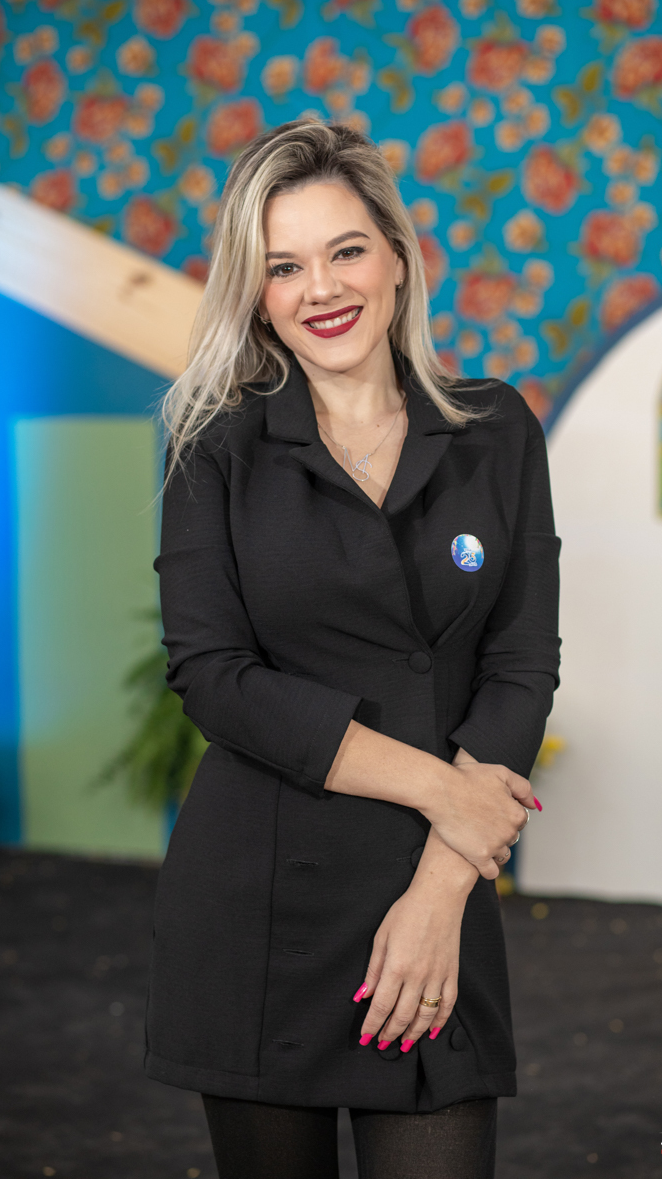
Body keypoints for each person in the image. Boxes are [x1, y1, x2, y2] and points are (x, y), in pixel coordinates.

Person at [145, 119, 561, 1179]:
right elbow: (213, 676)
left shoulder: (495, 430)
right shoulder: (212, 442)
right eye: (283, 266)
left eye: (344, 251)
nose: (320, 289)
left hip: (433, 889)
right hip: (260, 905)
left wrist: (441, 888)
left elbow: (520, 663)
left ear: (397, 259)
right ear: (254, 293)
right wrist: (449, 793)